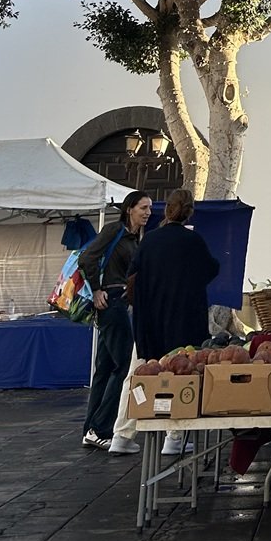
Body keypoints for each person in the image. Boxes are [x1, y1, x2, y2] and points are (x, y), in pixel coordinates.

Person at [126, 187, 219, 456]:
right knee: (179, 375)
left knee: (143, 374)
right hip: (182, 317)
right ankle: (174, 436)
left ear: (166, 210)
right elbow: (211, 269)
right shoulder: (193, 241)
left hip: (150, 319)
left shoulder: (149, 240)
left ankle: (123, 432)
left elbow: (133, 274)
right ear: (189, 211)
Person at [78, 189, 152, 450]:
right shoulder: (115, 230)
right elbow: (87, 257)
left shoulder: (135, 238)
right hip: (111, 302)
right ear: (130, 208)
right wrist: (96, 289)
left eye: (149, 208)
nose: (147, 213)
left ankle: (91, 428)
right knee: (123, 367)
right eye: (143, 208)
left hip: (119, 302)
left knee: (106, 367)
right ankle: (100, 428)